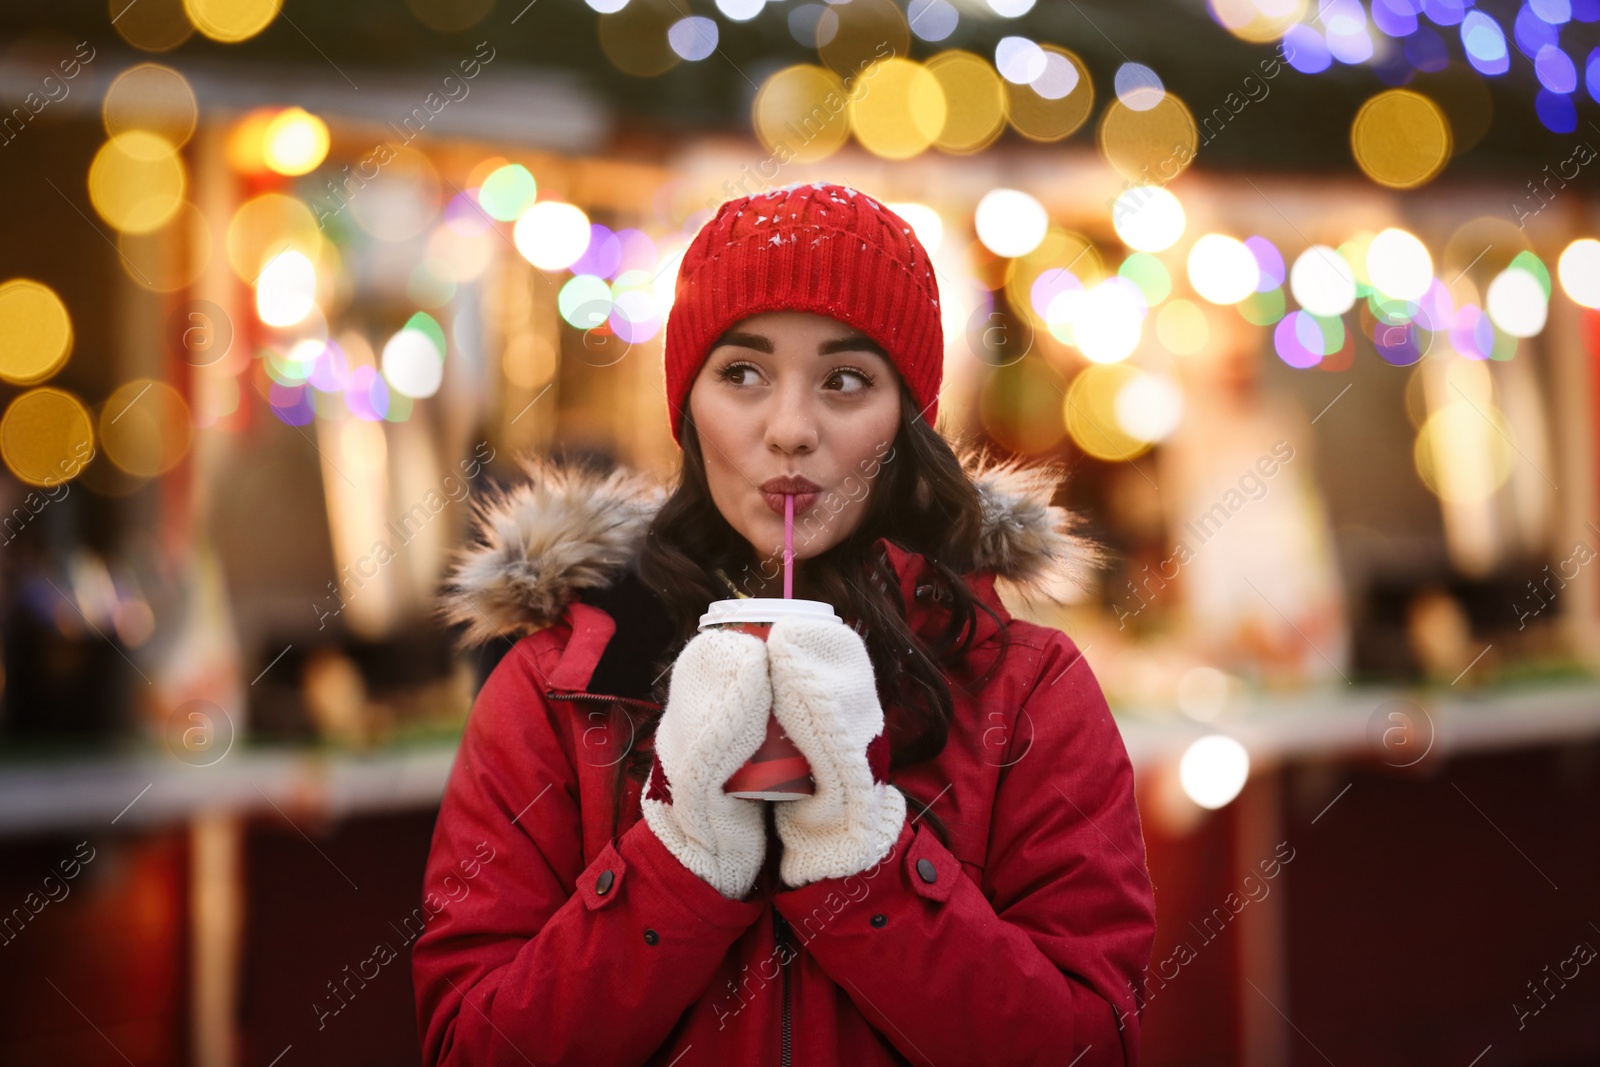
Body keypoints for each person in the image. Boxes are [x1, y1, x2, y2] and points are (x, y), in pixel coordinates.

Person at [411, 180, 1156, 1066]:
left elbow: (1086, 1048)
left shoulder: (1025, 690)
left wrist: (865, 865)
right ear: (687, 405)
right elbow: (471, 1049)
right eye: (742, 374)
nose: (792, 428)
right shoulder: (560, 687)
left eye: (846, 380)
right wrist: (678, 864)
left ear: (905, 419)